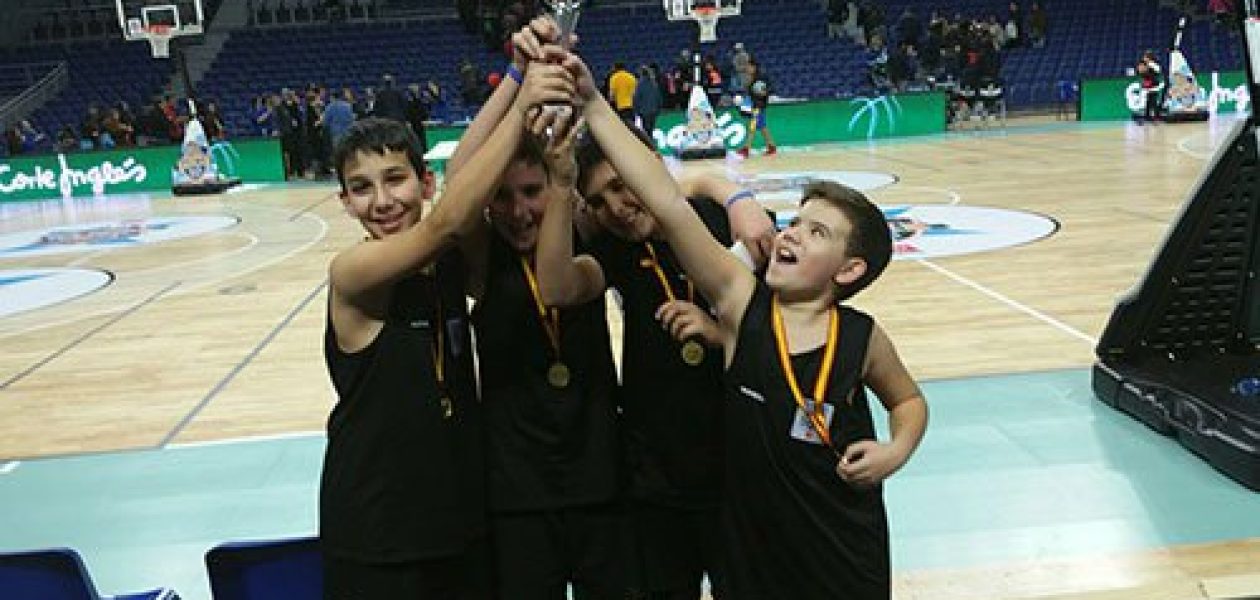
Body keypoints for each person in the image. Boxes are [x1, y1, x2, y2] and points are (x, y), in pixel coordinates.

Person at [562, 49, 928, 600]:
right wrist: (592, 104)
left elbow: (909, 401)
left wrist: (896, 450)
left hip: (843, 544)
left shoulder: (861, 336)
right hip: (756, 540)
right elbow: (667, 202)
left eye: (816, 232)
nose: (790, 234)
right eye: (795, 223)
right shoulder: (739, 303)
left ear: (850, 269)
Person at [320, 48, 575, 598]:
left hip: (459, 524)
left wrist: (514, 75)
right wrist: (523, 98)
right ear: (344, 202)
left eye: (395, 179)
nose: (383, 201)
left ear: (425, 183)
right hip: (378, 533)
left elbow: (464, 175)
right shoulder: (354, 273)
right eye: (362, 188)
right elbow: (448, 221)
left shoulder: (454, 265)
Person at [534, 121, 776, 599]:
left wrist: (727, 193)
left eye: (623, 186)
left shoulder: (730, 222)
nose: (617, 209)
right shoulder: (616, 247)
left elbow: (786, 336)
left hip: (739, 465)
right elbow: (558, 288)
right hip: (657, 475)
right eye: (600, 201)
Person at [444, 19, 625, 599]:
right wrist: (517, 80)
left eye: (532, 192)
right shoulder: (481, 259)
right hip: (517, 491)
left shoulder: (585, 236)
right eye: (504, 196)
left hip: (599, 474)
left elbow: (653, 182)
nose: (519, 210)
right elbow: (458, 178)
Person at [737, 60, 776, 158]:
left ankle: (746, 149)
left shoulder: (761, 78)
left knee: (752, 127)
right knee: (762, 127)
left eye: (749, 67)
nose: (747, 69)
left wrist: (765, 93)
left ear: (754, 67)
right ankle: (771, 146)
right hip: (756, 105)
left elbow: (769, 89)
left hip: (758, 106)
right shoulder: (753, 78)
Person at [1136, 50, 1163, 125]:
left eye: (1146, 57)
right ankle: (1147, 117)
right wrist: (1142, 69)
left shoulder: (1153, 64)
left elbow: (1158, 71)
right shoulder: (1142, 64)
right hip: (1146, 84)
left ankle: (1156, 117)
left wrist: (1150, 65)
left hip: (1153, 84)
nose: (1144, 58)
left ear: (1149, 57)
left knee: (1153, 100)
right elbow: (1140, 71)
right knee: (1147, 101)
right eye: (1144, 56)